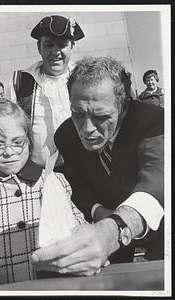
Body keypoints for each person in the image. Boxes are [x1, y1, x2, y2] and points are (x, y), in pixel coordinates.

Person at [31, 56, 164, 276]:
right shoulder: (65, 135)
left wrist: (114, 229)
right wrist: (98, 211)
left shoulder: (155, 121)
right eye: (78, 114)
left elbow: (159, 181)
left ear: (123, 107)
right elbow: (78, 185)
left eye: (101, 116)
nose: (87, 129)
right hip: (102, 243)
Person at [0, 100, 87, 290]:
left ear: (29, 142)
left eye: (18, 143)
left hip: (48, 287)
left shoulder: (49, 181)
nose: (9, 152)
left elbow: (79, 229)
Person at [9, 15, 84, 171]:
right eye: (49, 45)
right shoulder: (21, 81)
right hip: (39, 172)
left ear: (72, 46)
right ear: (39, 48)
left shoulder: (85, 76)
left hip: (84, 167)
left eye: (62, 45)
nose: (55, 52)